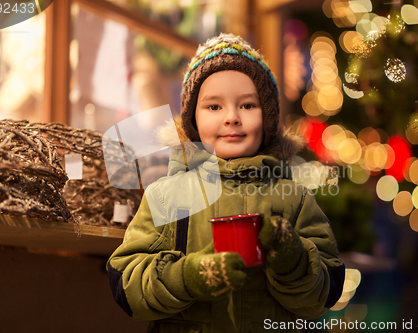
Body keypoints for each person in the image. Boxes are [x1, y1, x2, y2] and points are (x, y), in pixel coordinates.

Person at [107, 33, 345, 333]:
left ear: (268, 118)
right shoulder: (167, 196)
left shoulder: (294, 198)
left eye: (247, 106)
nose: (232, 117)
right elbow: (127, 283)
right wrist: (189, 276)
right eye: (214, 107)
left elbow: (325, 292)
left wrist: (292, 259)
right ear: (193, 118)